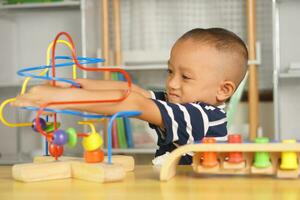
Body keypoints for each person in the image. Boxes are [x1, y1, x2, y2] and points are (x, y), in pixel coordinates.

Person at [12, 28, 248, 165]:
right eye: (170, 71)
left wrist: (59, 99)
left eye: (185, 77)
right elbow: (135, 91)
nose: (172, 82)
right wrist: (77, 85)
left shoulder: (200, 116)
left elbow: (133, 102)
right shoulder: (179, 101)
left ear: (223, 90)